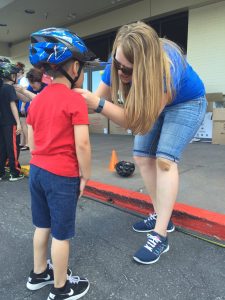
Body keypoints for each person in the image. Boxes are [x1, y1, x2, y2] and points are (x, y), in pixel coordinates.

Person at [75, 21, 207, 265]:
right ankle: (162, 217)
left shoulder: (165, 68)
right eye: (118, 65)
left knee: (165, 160)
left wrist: (99, 105)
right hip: (156, 104)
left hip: (186, 103)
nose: (121, 73)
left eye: (128, 70)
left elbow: (138, 123)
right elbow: (94, 101)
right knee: (142, 156)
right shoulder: (118, 61)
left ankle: (160, 235)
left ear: (144, 66)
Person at [26, 27, 100, 300]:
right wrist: (86, 175)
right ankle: (60, 288)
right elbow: (82, 144)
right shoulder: (74, 100)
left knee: (42, 226)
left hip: (36, 171)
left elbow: (32, 144)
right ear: (75, 67)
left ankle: (38, 274)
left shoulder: (37, 101)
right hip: (62, 175)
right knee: (61, 234)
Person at [0, 60, 24, 181]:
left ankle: (1, 172)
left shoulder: (1, 88)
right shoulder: (9, 88)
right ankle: (15, 172)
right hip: (10, 123)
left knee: (2, 147)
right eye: (14, 75)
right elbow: (13, 105)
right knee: (13, 147)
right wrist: (18, 123)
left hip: (2, 123)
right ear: (10, 75)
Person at [15, 62, 29, 150]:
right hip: (21, 103)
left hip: (24, 103)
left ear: (20, 71)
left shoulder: (23, 80)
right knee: (22, 123)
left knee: (24, 124)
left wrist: (22, 106)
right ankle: (23, 142)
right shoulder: (19, 79)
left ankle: (27, 143)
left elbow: (25, 93)